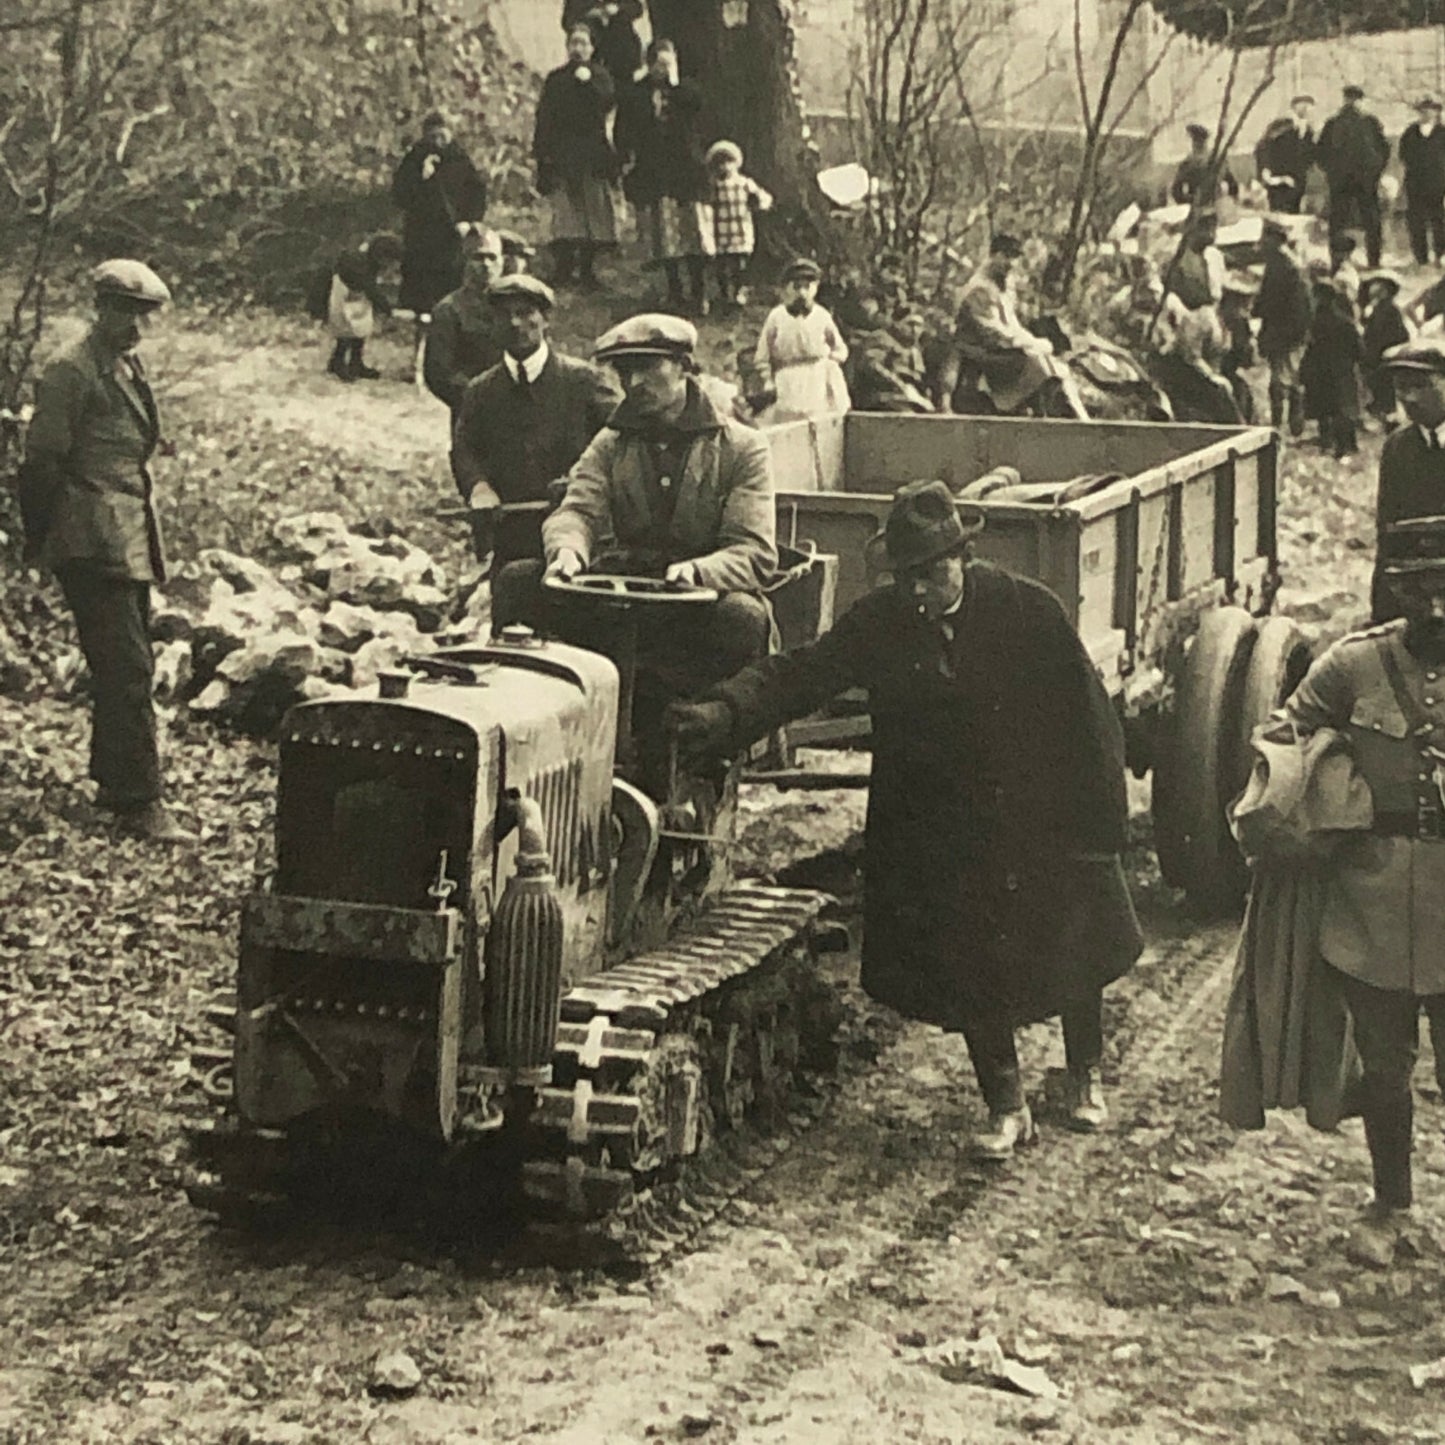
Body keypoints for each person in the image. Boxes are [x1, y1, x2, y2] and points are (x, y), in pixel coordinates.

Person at [668, 480, 1143, 1158]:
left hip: (1037, 811)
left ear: (962, 559)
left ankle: (1082, 1074)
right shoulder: (882, 622)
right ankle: (1007, 1106)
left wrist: (1097, 826)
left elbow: (1090, 724)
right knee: (970, 955)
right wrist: (725, 710)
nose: (919, 589)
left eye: (931, 572)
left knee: (1071, 941)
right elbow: (804, 672)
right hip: (947, 825)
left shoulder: (1027, 611)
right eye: (907, 576)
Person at [1281, 511, 1445, 1267]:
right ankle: (1391, 1204)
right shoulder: (1352, 666)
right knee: (1383, 1067)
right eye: (1419, 590)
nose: (1436, 606)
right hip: (1375, 900)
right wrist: (1335, 794)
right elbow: (1282, 737)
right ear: (1393, 593)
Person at [495, 313, 777, 703]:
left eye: (648, 367)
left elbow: (754, 551)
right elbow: (577, 511)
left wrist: (697, 571)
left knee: (742, 617)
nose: (634, 382)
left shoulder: (742, 448)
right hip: (618, 594)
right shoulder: (611, 443)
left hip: (696, 608)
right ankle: (536, 715)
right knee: (518, 581)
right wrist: (567, 552)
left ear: (684, 367)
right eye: (625, 372)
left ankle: (703, 730)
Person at [16, 261, 192, 843]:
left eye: (145, 315)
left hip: (127, 536)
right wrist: (42, 537)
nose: (138, 326)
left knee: (125, 665)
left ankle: (117, 784)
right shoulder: (71, 370)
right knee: (129, 668)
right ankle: (139, 801)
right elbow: (42, 463)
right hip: (88, 539)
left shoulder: (125, 365)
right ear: (102, 309)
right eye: (127, 312)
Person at [451, 274, 621, 574]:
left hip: (582, 535)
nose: (515, 323)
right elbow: (464, 449)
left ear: (546, 320)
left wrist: (582, 479)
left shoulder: (584, 381)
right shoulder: (481, 390)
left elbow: (621, 441)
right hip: (511, 534)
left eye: (525, 313)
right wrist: (478, 487)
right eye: (504, 315)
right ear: (492, 323)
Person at [938, 233, 1088, 419]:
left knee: (1055, 365)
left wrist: (1032, 341)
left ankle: (1075, 419)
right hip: (979, 350)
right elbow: (992, 331)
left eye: (1014, 258)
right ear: (993, 255)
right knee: (1038, 363)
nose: (1010, 263)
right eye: (1006, 256)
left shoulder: (1005, 284)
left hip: (1000, 347)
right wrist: (1029, 344)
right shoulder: (979, 287)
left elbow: (1012, 324)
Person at [615, 39, 711, 313]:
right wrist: (627, 159)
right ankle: (674, 291)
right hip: (655, 171)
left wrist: (676, 83)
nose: (664, 70)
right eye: (659, 64)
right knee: (665, 237)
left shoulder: (687, 92)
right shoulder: (637, 93)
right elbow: (624, 130)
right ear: (649, 65)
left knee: (693, 234)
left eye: (669, 64)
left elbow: (700, 117)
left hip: (687, 173)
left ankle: (699, 292)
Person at [533, 22, 621, 290]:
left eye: (583, 43)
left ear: (592, 48)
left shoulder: (601, 77)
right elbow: (545, 117)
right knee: (565, 214)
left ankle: (587, 270)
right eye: (574, 42)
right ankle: (563, 269)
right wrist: (543, 154)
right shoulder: (556, 79)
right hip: (562, 154)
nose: (578, 48)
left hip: (592, 155)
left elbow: (607, 105)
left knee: (592, 213)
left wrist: (588, 82)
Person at [1371, 339, 1445, 622]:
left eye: (1422, 385)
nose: (1410, 398)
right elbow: (1388, 535)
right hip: (1417, 599)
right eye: (1401, 387)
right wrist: (1382, 613)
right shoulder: (1397, 448)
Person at [391, 112, 489, 319]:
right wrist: (421, 176)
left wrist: (469, 220)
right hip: (422, 230)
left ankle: (449, 313)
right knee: (420, 273)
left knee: (451, 272)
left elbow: (477, 193)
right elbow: (400, 195)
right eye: (432, 137)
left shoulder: (460, 159)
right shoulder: (415, 158)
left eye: (441, 136)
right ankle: (419, 313)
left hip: (452, 231)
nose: (437, 142)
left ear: (449, 134)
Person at [751, 257, 850, 423]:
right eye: (796, 287)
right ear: (786, 289)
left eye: (807, 287)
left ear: (815, 288)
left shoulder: (822, 316)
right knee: (789, 424)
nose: (802, 293)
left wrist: (828, 364)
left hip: (817, 381)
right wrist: (768, 379)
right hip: (787, 381)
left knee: (820, 422)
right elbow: (762, 356)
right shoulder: (777, 317)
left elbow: (841, 349)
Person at [423, 226, 507, 414]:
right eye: (478, 257)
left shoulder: (515, 308)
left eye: (492, 257)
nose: (486, 264)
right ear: (463, 261)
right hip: (471, 412)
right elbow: (439, 374)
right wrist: (477, 397)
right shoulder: (449, 310)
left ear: (502, 262)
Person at [1317, 84, 1390, 269]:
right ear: (1345, 101)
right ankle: (1338, 261)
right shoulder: (1333, 124)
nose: (1353, 103)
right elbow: (1321, 152)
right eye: (1350, 99)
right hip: (1341, 182)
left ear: (1361, 101)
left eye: (1356, 99)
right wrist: (1332, 172)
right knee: (1338, 222)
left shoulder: (1371, 123)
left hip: (1366, 181)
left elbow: (1383, 150)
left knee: (1371, 222)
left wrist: (1375, 172)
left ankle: (1374, 261)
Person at [1254, 218, 1313, 438]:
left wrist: (1260, 311)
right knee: (1285, 378)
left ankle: (1286, 424)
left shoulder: (1285, 266)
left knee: (1283, 380)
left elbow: (1281, 301)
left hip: (1286, 331)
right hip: (1284, 330)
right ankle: (1286, 423)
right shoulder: (1282, 263)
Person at [319, 232, 402, 383]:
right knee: (345, 330)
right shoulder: (358, 263)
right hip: (342, 290)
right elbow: (369, 287)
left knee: (361, 328)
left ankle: (355, 363)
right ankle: (338, 362)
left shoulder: (369, 261)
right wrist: (385, 307)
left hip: (357, 293)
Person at [703, 140, 773, 310]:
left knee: (740, 265)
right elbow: (707, 205)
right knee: (722, 266)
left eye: (729, 162)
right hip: (720, 232)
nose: (725, 167)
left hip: (740, 231)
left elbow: (763, 197)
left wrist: (759, 204)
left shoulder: (744, 183)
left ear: (736, 163)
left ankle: (738, 292)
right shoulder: (713, 185)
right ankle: (724, 294)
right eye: (720, 163)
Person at [1301, 271, 1363, 458]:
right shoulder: (1344, 321)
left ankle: (1327, 443)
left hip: (1321, 371)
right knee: (1343, 409)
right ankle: (1347, 445)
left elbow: (1311, 348)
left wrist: (1305, 370)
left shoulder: (1315, 322)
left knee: (1325, 410)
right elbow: (1358, 349)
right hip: (1342, 370)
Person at [1360, 270, 1412, 423]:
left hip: (1384, 356)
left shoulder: (1390, 311)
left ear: (1387, 291)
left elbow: (1401, 335)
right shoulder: (1376, 309)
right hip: (1375, 355)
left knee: (1384, 388)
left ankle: (1388, 417)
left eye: (1378, 286)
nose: (1373, 289)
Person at [1400, 97, 1445, 268]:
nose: (1426, 113)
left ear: (1436, 112)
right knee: (1416, 221)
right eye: (1423, 110)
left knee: (1438, 220)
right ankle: (1421, 258)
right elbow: (1403, 154)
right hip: (1415, 183)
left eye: (1430, 109)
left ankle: (1441, 255)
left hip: (1438, 184)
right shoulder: (1410, 132)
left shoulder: (1442, 133)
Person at [1254, 95, 1317, 214]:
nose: (1306, 108)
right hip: (1279, 179)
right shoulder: (1280, 126)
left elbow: (1309, 155)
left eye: (1309, 105)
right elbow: (1263, 147)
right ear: (1294, 107)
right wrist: (1266, 170)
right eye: (1302, 104)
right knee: (1278, 213)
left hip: (1297, 181)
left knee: (1293, 214)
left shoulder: (1308, 131)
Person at [1171, 123, 1239, 209]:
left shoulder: (1189, 163)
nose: (1197, 144)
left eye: (1198, 141)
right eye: (1197, 141)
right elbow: (1176, 191)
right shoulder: (1216, 159)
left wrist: (1190, 201)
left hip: (1207, 207)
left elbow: (1176, 191)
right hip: (1213, 206)